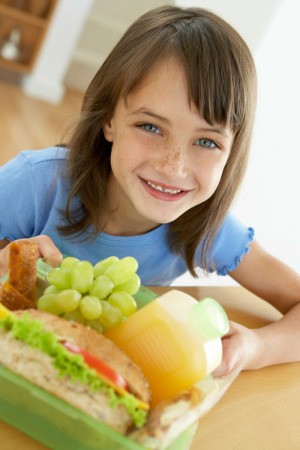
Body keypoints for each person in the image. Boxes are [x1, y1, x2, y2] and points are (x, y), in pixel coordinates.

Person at [0, 5, 299, 377]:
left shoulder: (207, 227)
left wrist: (254, 347)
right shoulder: (36, 182)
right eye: (151, 127)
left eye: (206, 143)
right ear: (109, 118)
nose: (174, 167)